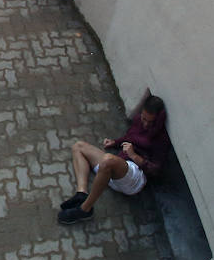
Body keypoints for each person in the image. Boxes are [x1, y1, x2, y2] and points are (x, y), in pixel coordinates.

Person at [58, 94, 171, 224]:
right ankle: (81, 193)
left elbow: (155, 170)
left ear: (157, 120)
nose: (145, 124)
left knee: (108, 160)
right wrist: (115, 142)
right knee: (78, 146)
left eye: (150, 122)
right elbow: (130, 137)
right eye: (144, 118)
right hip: (116, 167)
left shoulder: (161, 139)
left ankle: (85, 209)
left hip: (135, 178)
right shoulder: (138, 121)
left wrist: (134, 156)